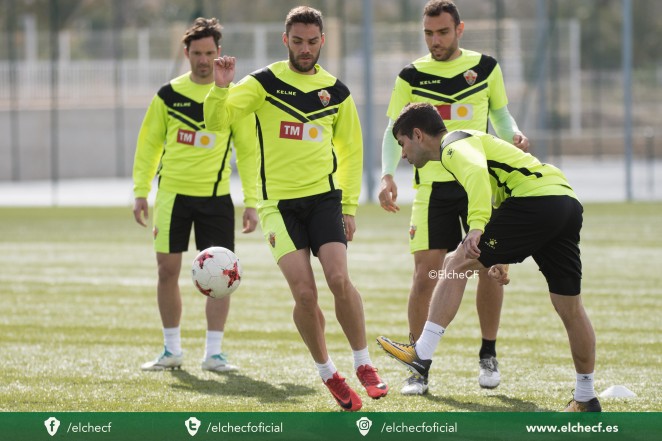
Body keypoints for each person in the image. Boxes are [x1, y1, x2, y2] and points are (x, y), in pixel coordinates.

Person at [204, 6, 388, 412]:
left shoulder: (336, 92)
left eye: (313, 42)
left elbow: (351, 153)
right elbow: (217, 124)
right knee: (305, 294)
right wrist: (220, 88)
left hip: (324, 200)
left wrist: (350, 205)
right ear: (285, 40)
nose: (306, 49)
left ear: (322, 41)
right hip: (277, 207)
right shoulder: (263, 83)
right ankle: (329, 373)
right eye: (298, 41)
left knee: (339, 279)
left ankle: (364, 363)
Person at [377, 102, 600, 412]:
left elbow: (477, 175)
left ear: (418, 135)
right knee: (570, 307)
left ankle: (421, 355)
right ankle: (586, 396)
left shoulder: (453, 145)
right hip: (564, 202)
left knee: (457, 261)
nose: (402, 153)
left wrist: (476, 226)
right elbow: (503, 198)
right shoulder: (471, 142)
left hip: (535, 201)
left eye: (402, 143)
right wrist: (498, 256)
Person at [378, 0, 529, 395]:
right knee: (425, 275)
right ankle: (417, 366)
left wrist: (513, 133)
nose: (435, 40)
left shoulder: (487, 68)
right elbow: (392, 130)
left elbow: (501, 114)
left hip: (478, 182)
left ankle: (488, 352)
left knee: (488, 267)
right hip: (430, 189)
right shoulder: (410, 74)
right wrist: (387, 173)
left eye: (442, 32)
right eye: (428, 33)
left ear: (459, 30)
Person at [132, 17, 258, 373]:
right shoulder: (168, 95)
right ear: (186, 53)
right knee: (166, 271)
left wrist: (251, 202)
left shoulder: (231, 99)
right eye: (197, 53)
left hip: (216, 200)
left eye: (210, 53)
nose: (204, 60)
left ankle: (214, 354)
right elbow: (148, 146)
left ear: (219, 54)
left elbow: (247, 153)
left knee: (222, 278)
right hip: (172, 196)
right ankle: (171, 350)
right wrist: (140, 192)